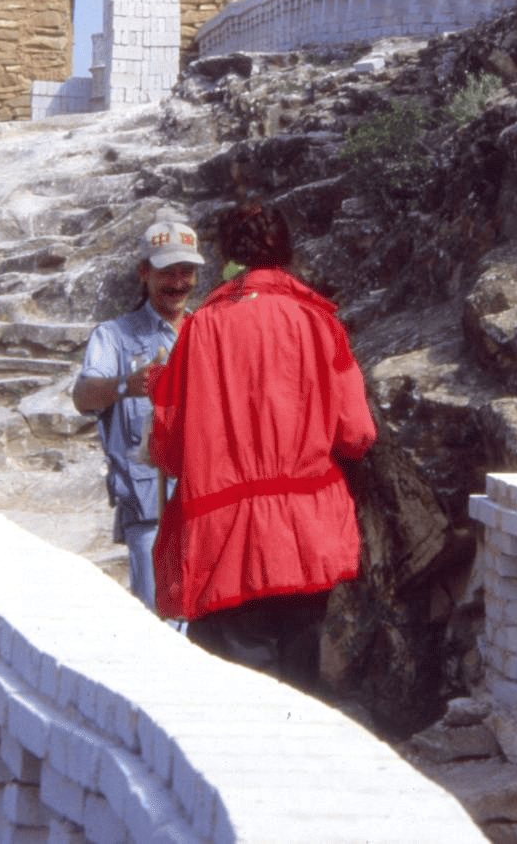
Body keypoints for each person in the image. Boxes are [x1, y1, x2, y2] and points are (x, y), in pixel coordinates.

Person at [149, 201, 377, 689]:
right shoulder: (320, 323)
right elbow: (357, 434)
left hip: (224, 538)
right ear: (286, 253)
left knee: (235, 695)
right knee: (301, 689)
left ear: (230, 256)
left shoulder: (200, 329)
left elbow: (167, 452)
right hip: (306, 534)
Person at [72, 219, 204, 610]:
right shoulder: (112, 336)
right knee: (161, 618)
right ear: (144, 273)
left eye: (186, 272)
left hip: (206, 502)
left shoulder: (206, 330)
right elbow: (82, 396)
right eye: (167, 273)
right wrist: (124, 386)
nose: (178, 283)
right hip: (149, 509)